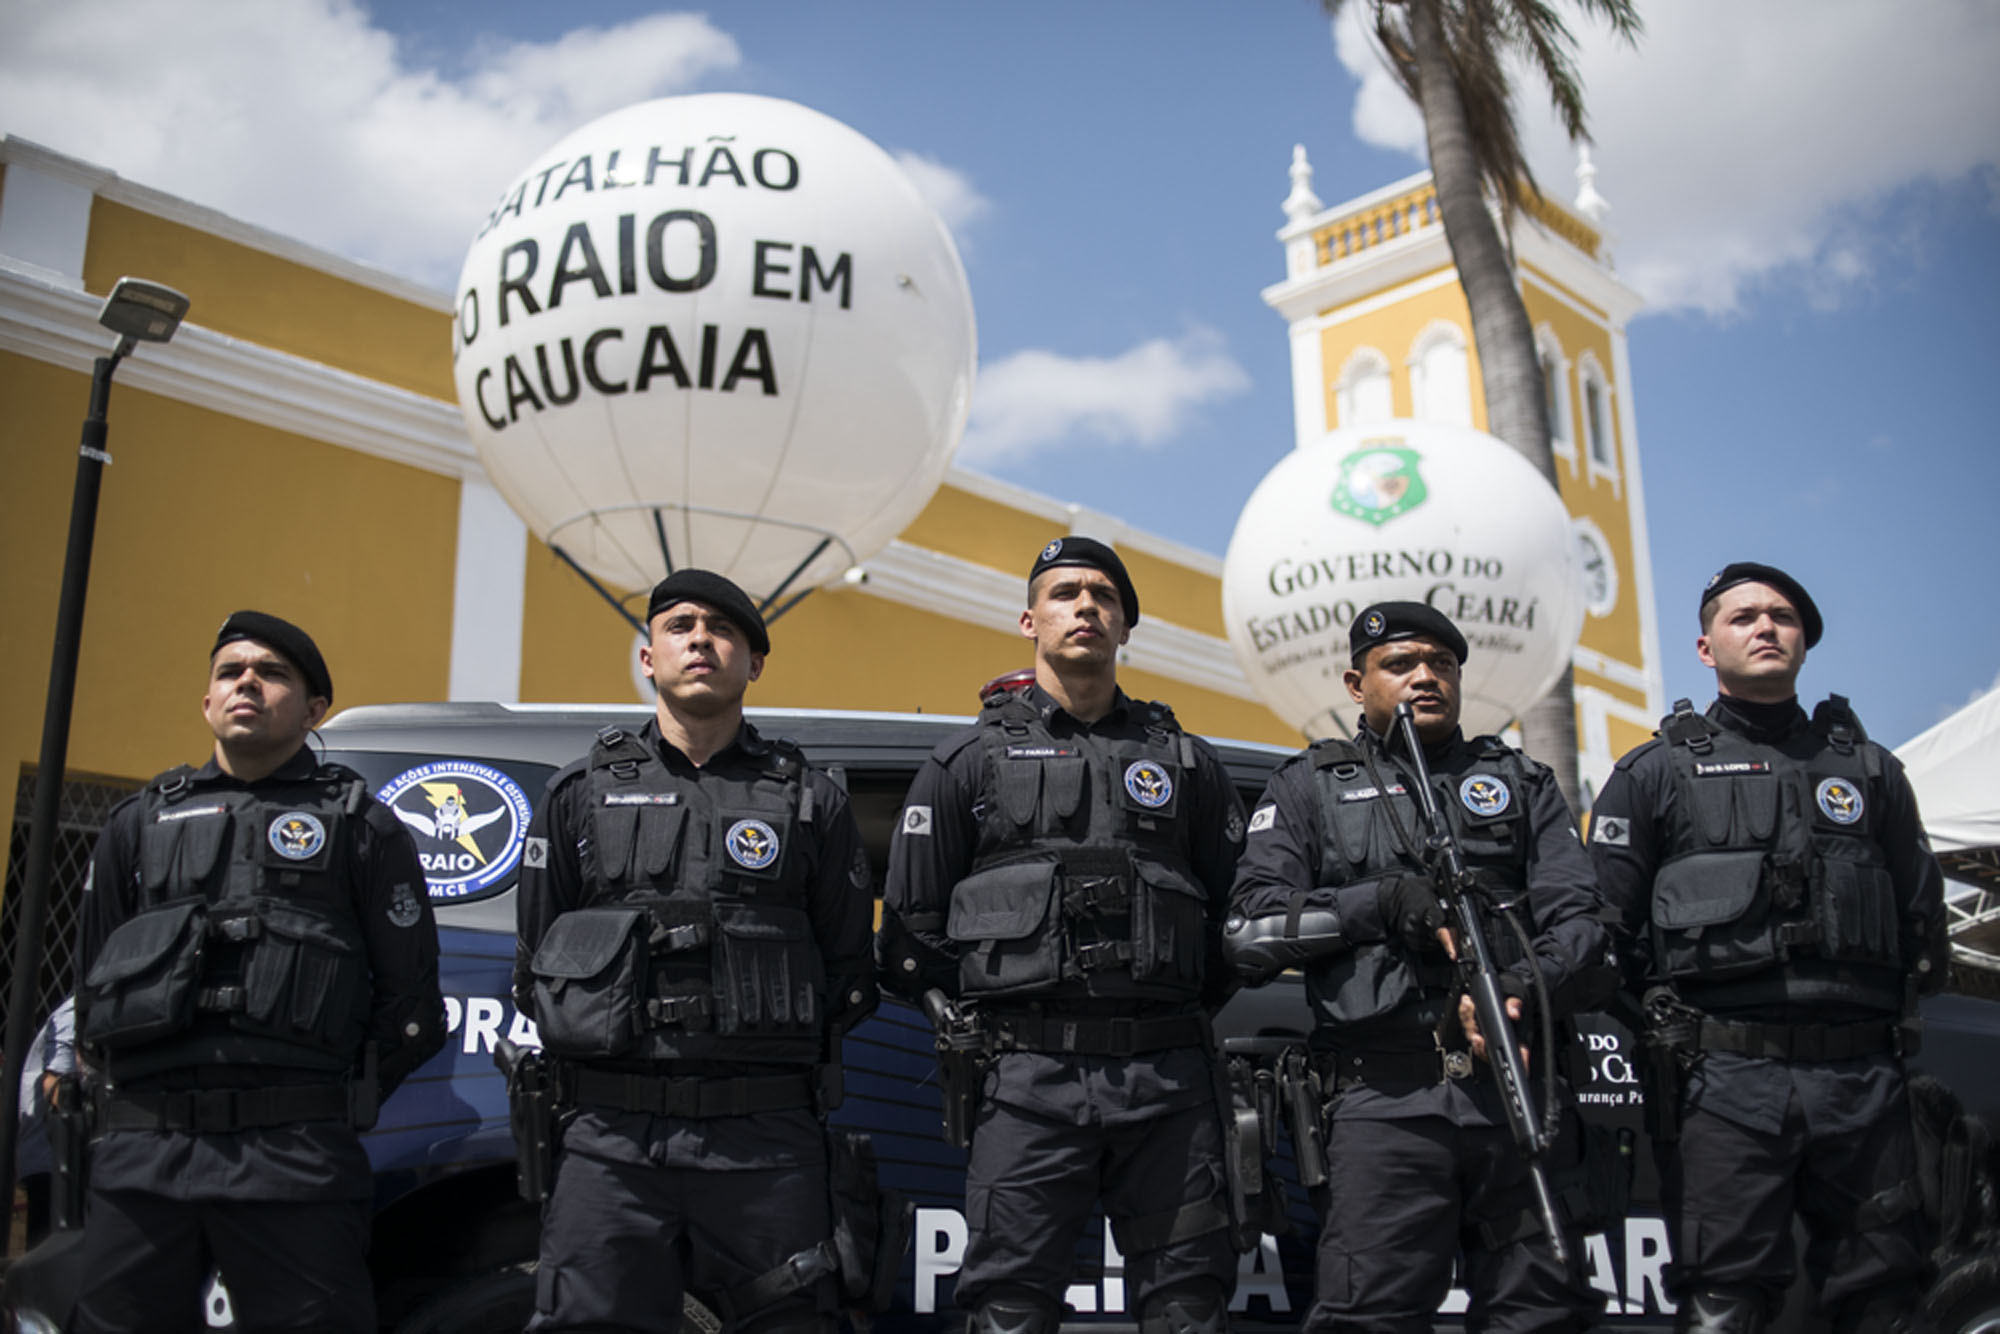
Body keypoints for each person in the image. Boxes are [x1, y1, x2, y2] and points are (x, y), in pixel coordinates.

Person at [878, 536, 1249, 1334]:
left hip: (1168, 1082)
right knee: (1009, 1306)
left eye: (1104, 596)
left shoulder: (1187, 763)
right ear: (1029, 620)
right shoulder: (966, 761)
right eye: (1065, 593)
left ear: (1125, 627)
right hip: (1026, 1080)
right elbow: (910, 935)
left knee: (1189, 1305)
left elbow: (1234, 927)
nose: (1086, 606)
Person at [1225, 602, 1611, 1333]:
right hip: (1383, 1102)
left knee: (1542, 1313)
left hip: (1512, 1089)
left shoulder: (1520, 782)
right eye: (1400, 664)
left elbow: (1585, 926)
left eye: (1442, 663)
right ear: (1356, 683)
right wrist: (1377, 904)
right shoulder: (1309, 786)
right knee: (1369, 1317)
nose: (1425, 677)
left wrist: (1521, 986)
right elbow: (1249, 933)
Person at [515, 569, 877, 1334]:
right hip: (610, 1140)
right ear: (649, 657)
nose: (701, 640)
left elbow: (846, 972)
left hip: (766, 1141)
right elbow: (538, 966)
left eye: (723, 630)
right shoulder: (578, 794)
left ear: (756, 664)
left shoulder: (810, 798)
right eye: (680, 626)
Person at [1588, 563, 1947, 1333]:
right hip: (1723, 1082)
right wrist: (1662, 1024)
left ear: (1804, 643)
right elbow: (1602, 936)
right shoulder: (1655, 773)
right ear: (1705, 646)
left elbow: (1924, 930)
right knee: (1724, 1302)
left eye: (1782, 617)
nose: (1766, 628)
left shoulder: (1871, 771)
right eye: (1744, 616)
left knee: (1886, 1300)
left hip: (1863, 1081)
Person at [71, 611, 445, 1333]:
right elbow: (93, 991)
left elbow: (411, 1010)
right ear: (207, 701)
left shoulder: (362, 825)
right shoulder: (137, 823)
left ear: (313, 710)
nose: (247, 683)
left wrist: (325, 1105)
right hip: (143, 1158)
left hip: (295, 1158)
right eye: (230, 672)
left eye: (271, 673)